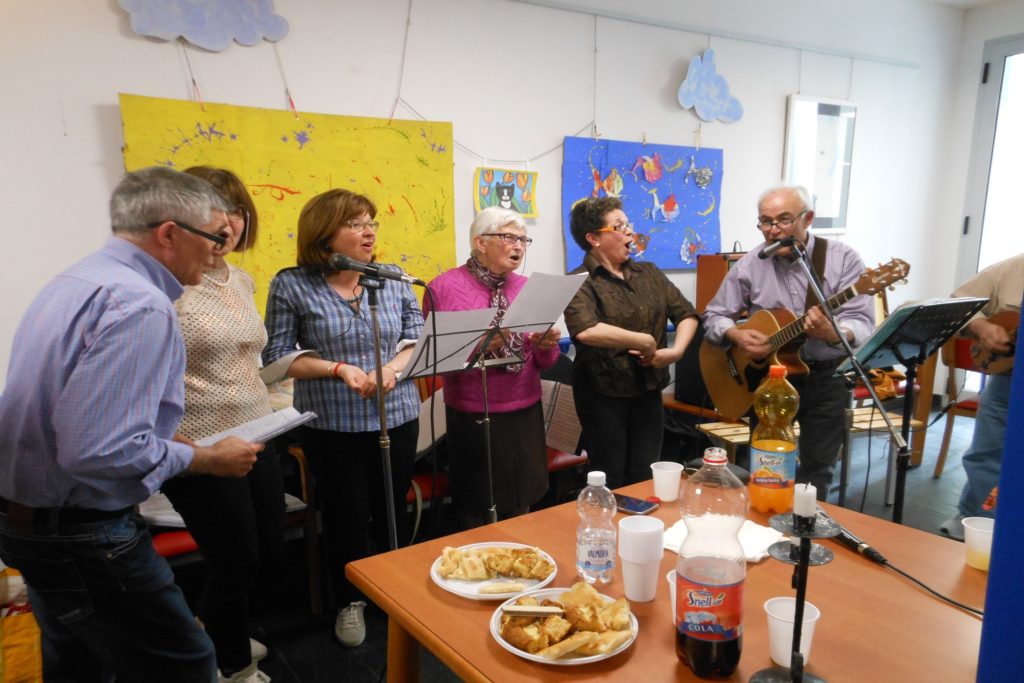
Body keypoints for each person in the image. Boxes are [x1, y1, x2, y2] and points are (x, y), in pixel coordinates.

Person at [0, 166, 263, 682]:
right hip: (83, 532)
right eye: (213, 237)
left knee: (79, 662)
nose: (218, 252)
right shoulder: (140, 304)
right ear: (169, 233)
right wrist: (203, 456)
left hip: (30, 519)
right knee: (185, 663)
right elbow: (98, 451)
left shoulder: (79, 278)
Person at [262, 188, 423, 648]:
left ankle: (393, 589)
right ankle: (349, 600)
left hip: (397, 414)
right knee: (346, 514)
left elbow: (414, 338)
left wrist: (390, 370)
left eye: (371, 221)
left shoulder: (391, 278)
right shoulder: (292, 283)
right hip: (332, 422)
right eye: (355, 223)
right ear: (324, 233)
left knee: (391, 507)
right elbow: (278, 356)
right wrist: (339, 369)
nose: (369, 230)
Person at [157, 166, 283, 683]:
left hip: (259, 430)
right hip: (202, 444)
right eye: (216, 211)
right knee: (234, 561)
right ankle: (231, 665)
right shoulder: (168, 284)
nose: (228, 223)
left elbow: (248, 356)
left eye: (236, 211)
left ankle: (216, 629)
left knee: (267, 550)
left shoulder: (243, 279)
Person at [703, 184, 875, 498]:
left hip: (828, 377)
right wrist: (734, 333)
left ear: (807, 218)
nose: (773, 230)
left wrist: (832, 332)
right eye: (765, 222)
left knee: (817, 470)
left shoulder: (842, 258)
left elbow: (862, 323)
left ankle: (805, 538)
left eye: (783, 220)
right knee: (767, 463)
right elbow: (714, 315)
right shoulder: (752, 263)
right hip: (768, 381)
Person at [423, 207, 562, 529]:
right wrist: (484, 344)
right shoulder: (442, 288)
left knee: (524, 495)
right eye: (509, 237)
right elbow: (437, 360)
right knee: (478, 502)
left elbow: (547, 362)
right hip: (473, 412)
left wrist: (546, 344)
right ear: (480, 242)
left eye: (524, 239)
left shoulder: (529, 286)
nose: (519, 246)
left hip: (525, 406)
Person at [564, 196, 699, 489]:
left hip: (648, 389)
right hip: (602, 394)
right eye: (619, 225)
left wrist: (674, 352)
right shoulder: (578, 280)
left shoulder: (648, 272)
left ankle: (640, 530)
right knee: (609, 475)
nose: (629, 231)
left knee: (644, 472)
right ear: (593, 238)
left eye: (628, 224)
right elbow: (585, 330)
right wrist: (645, 341)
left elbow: (687, 314)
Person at [939, 253, 1023, 541]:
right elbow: (957, 302)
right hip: (1008, 381)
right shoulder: (1013, 268)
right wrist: (982, 326)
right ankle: (975, 523)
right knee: (985, 454)